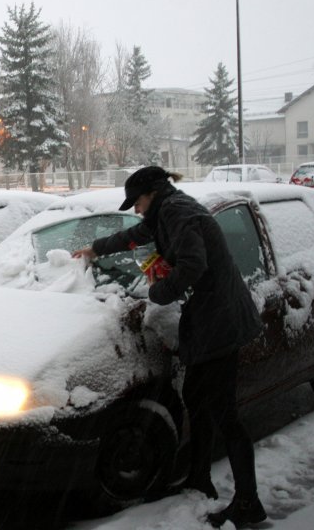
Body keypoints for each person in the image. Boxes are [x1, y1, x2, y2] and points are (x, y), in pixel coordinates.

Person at [72, 166, 266, 528]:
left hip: (220, 321)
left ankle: (247, 501)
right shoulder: (165, 211)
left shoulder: (178, 212)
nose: (136, 209)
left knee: (226, 415)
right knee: (197, 396)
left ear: (154, 192)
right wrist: (96, 248)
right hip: (208, 318)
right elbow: (136, 234)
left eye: (138, 201)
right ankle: (198, 476)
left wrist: (158, 293)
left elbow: (194, 263)